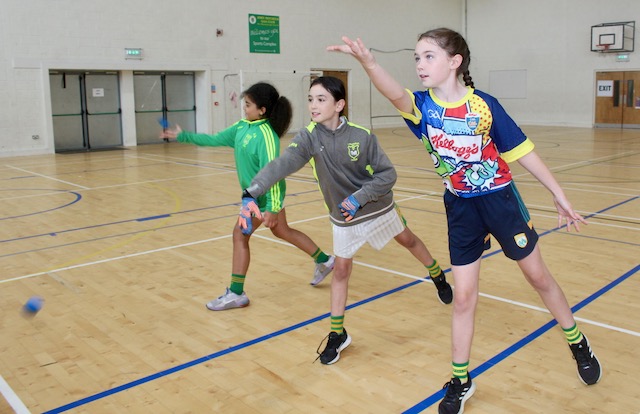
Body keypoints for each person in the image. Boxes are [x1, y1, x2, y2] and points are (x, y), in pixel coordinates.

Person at [327, 29, 601, 413]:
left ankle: (577, 342)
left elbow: (524, 152)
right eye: (417, 58)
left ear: (454, 62)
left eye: (428, 57)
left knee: (538, 278)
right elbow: (392, 91)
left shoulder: (485, 106)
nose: (420, 65)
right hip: (460, 208)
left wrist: (559, 194)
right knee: (464, 297)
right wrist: (369, 62)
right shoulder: (421, 107)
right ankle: (461, 378)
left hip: (501, 202)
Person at [238, 76, 453, 365]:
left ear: (339, 105)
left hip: (376, 207)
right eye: (311, 99)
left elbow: (387, 175)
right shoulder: (308, 137)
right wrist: (251, 191)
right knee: (341, 271)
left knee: (408, 240)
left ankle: (437, 274)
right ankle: (338, 334)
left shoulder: (362, 136)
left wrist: (359, 197)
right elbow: (280, 165)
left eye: (321, 99)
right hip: (343, 217)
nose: (313, 105)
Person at [160, 82, 335, 311]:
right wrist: (183, 136)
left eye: (249, 104)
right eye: (245, 103)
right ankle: (324, 260)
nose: (245, 108)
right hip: (254, 196)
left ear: (262, 109)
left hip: (262, 197)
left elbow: (274, 172)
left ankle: (236, 293)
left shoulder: (266, 136)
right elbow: (214, 140)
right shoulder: (242, 127)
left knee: (239, 235)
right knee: (282, 231)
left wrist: (272, 207)